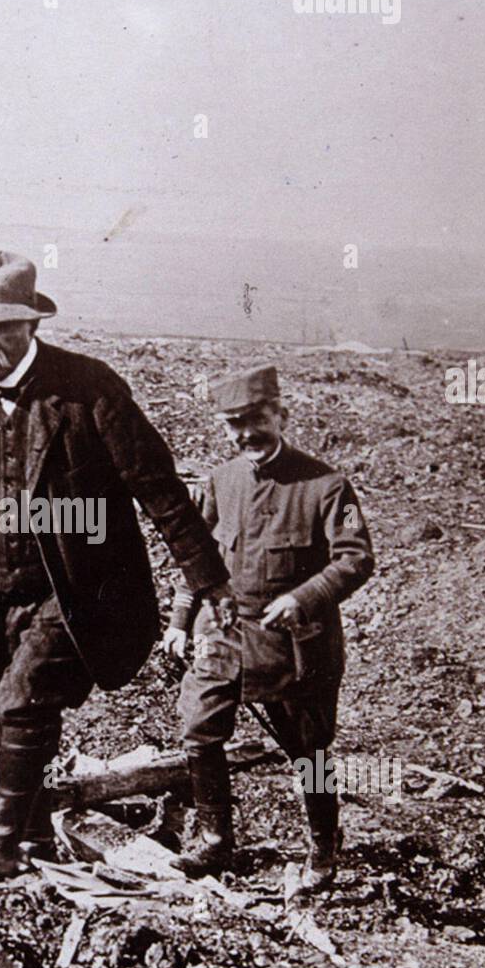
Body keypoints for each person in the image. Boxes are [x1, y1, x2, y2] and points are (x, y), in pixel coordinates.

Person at [0, 250, 235, 879]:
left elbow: (157, 485)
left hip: (78, 591)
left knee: (20, 706)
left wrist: (207, 577)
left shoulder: (90, 390)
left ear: (31, 325)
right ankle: (32, 841)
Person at [161, 365, 375, 888]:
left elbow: (355, 558)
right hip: (225, 634)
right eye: (234, 424)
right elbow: (198, 557)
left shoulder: (327, 486)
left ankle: (323, 847)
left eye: (256, 419)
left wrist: (304, 598)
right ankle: (215, 842)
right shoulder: (222, 480)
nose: (246, 434)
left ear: (281, 414)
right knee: (198, 731)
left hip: (297, 648)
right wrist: (180, 620)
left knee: (310, 753)